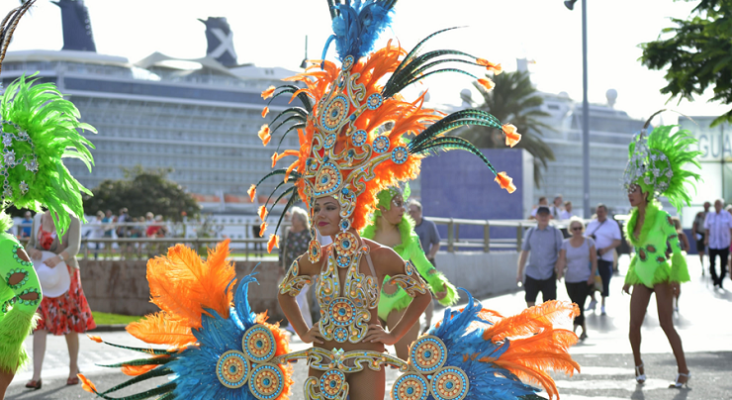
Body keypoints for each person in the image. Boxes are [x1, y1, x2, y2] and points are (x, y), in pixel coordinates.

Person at [80, 3, 581, 398]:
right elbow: (283, 295)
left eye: (329, 207)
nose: (320, 213)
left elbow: (422, 294)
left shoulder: (376, 255)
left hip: (369, 355)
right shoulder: (314, 258)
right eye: (315, 206)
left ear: (348, 209)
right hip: (322, 358)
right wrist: (303, 332)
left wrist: (391, 335)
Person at [0, 7, 95, 394]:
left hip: (62, 278)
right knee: (34, 316)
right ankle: (34, 373)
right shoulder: (37, 223)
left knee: (58, 324)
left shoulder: (65, 215)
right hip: (40, 273)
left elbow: (72, 248)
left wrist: (55, 257)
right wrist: (36, 254)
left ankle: (63, 368)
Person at [621, 120, 699, 388]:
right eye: (629, 189)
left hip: (662, 275)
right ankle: (638, 366)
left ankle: (684, 371)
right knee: (633, 327)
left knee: (667, 325)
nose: (631, 194)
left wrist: (676, 277)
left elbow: (677, 250)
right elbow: (638, 253)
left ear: (647, 192)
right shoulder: (632, 222)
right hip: (642, 275)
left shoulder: (663, 218)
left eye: (635, 190)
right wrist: (629, 278)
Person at [361, 186, 458, 359]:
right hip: (370, 306)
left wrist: (438, 284)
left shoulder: (410, 239)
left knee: (406, 363)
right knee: (367, 362)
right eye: (398, 204)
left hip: (400, 305)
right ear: (382, 207)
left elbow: (425, 266)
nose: (403, 209)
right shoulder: (363, 238)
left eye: (403, 204)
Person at [25, 211, 96, 389]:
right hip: (43, 277)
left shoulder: (72, 219)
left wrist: (57, 258)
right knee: (39, 323)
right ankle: (36, 376)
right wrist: (32, 250)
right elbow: (30, 244)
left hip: (66, 276)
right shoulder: (37, 218)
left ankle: (73, 369)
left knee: (69, 322)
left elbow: (74, 247)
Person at [555, 216, 597, 340]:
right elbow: (562, 260)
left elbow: (594, 260)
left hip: (584, 278)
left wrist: (592, 276)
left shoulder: (589, 242)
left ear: (582, 229)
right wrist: (559, 274)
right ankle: (584, 331)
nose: (577, 231)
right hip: (570, 279)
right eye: (575, 228)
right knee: (575, 305)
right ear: (570, 230)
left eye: (579, 228)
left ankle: (573, 331)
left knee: (579, 304)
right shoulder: (565, 243)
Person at [517, 206, 564, 307]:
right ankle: (533, 322)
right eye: (541, 215)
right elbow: (524, 252)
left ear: (549, 217)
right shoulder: (530, 232)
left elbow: (562, 253)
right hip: (532, 273)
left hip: (549, 273)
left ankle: (545, 323)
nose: (543, 218)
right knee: (530, 301)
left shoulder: (556, 232)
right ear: (536, 217)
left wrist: (560, 271)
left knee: (549, 306)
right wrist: (519, 273)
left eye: (546, 215)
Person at [407, 198, 442, 331]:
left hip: (426, 264)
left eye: (414, 212)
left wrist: (430, 256)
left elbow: (437, 243)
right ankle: (412, 323)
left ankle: (428, 324)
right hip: (409, 266)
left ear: (420, 212)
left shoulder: (428, 225)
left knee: (428, 295)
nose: (411, 215)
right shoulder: (405, 226)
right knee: (411, 295)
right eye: (409, 212)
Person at [277, 207, 313, 332]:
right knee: (300, 297)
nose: (291, 220)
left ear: (301, 220)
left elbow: (314, 252)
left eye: (294, 218)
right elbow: (282, 250)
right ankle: (307, 325)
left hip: (305, 271)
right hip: (290, 270)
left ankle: (292, 326)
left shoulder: (309, 234)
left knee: (297, 295)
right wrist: (280, 266)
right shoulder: (288, 232)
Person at [585, 204, 621, 315]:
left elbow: (618, 241)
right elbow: (585, 238)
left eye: (601, 212)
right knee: (590, 279)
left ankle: (603, 304)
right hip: (592, 258)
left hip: (606, 258)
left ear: (605, 212)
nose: (599, 214)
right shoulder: (592, 224)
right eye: (597, 212)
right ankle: (593, 299)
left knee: (605, 281)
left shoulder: (612, 224)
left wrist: (605, 249)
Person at [704, 199, 732, 289]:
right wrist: (706, 239)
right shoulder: (710, 215)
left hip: (724, 243)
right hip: (713, 243)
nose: (717, 206)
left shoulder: (727, 215)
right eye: (716, 204)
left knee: (723, 264)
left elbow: (731, 228)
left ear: (722, 205)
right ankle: (714, 278)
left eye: (719, 204)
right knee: (712, 263)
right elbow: (707, 229)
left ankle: (720, 280)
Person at [691, 202, 711, 275]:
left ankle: (710, 266)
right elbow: (695, 224)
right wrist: (694, 233)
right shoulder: (699, 215)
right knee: (701, 251)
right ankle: (702, 267)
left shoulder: (711, 215)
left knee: (709, 251)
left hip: (708, 234)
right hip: (700, 234)